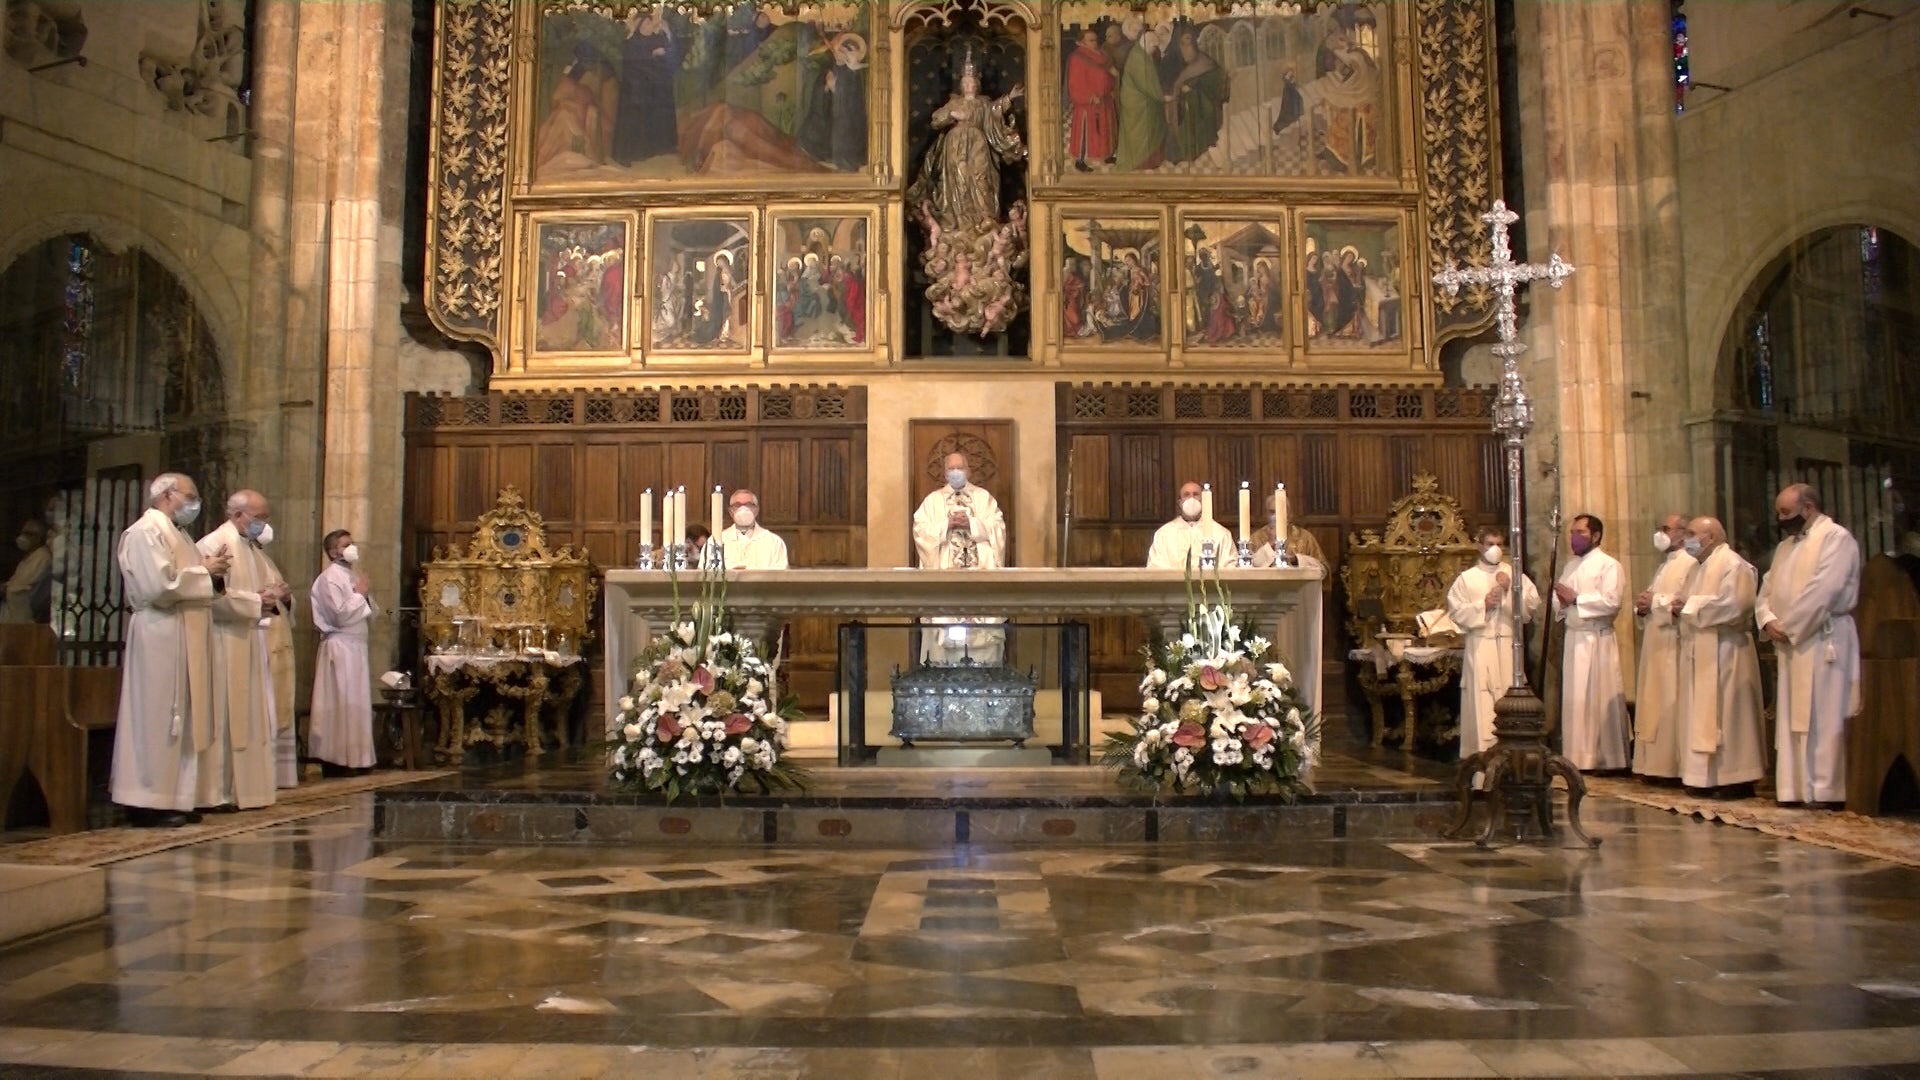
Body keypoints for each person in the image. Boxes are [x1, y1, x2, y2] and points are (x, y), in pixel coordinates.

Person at [110, 473, 231, 828]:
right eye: (190, 495)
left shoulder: (178, 534)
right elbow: (158, 587)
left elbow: (194, 580)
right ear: (166, 494)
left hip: (183, 630)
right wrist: (203, 570)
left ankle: (176, 796)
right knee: (158, 716)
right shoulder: (146, 532)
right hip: (160, 632)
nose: (195, 503)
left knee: (183, 717)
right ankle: (145, 800)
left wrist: (215, 574)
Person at [1755, 483, 1862, 807]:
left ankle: (1826, 790)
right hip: (1791, 642)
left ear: (1809, 507)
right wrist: (1767, 619)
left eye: (1786, 512)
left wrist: (1790, 627)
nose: (1780, 518)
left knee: (1823, 714)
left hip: (1824, 640)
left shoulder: (1836, 539)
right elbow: (1767, 587)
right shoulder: (1786, 547)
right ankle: (1794, 788)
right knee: (1793, 717)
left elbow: (1824, 589)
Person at [194, 491, 289, 811]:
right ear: (238, 515)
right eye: (259, 517)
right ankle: (217, 791)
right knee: (224, 714)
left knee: (249, 714)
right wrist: (255, 601)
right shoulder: (212, 545)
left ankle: (246, 789)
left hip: (249, 638)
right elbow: (210, 596)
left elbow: (260, 592)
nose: (264, 523)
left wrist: (270, 597)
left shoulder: (250, 549)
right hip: (223, 641)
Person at [1672, 517, 1767, 796]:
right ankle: (1704, 778)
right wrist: (1680, 605)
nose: (1685, 539)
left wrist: (1688, 605)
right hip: (1701, 647)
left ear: (1710, 537)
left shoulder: (1733, 564)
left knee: (1729, 714)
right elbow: (1686, 602)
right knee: (1700, 715)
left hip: (1727, 650)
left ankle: (1735, 778)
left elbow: (1736, 605)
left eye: (1690, 534)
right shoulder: (1696, 568)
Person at [1445, 525, 1541, 769]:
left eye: (1499, 544)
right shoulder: (1467, 578)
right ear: (1479, 545)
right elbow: (1455, 611)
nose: (1495, 549)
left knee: (1509, 699)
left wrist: (1510, 590)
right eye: (1490, 544)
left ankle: (1512, 765)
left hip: (1508, 646)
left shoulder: (1514, 574)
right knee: (1482, 704)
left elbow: (1530, 608)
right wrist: (1483, 606)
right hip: (1481, 646)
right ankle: (1481, 768)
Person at [905, 52, 1026, 237]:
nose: (970, 85)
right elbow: (936, 120)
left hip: (978, 143)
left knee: (981, 178)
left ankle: (985, 217)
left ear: (977, 84)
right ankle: (958, 222)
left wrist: (1010, 96)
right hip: (955, 145)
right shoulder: (954, 103)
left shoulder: (983, 104)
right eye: (966, 82)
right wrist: (952, 115)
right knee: (958, 179)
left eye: (972, 82)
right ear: (962, 85)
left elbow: (995, 111)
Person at [911, 452, 1008, 665]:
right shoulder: (932, 502)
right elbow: (920, 531)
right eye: (951, 468)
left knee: (983, 643)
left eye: (960, 467)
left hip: (980, 581)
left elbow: (998, 528)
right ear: (944, 472)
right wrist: (947, 525)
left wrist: (972, 524)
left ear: (969, 470)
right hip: (946, 583)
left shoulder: (984, 498)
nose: (956, 472)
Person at [1552, 514, 1628, 772]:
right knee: (1576, 699)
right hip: (1575, 638)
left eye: (1580, 532)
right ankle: (1578, 757)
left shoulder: (1609, 565)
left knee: (1597, 696)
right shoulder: (1570, 566)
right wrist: (1561, 603)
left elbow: (1611, 602)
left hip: (1597, 638)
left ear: (1595, 536)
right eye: (1572, 532)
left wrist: (1576, 599)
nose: (1574, 537)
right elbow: (1558, 601)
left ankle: (1606, 758)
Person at [1631, 513, 1697, 782]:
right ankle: (1654, 766)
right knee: (1653, 699)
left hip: (1673, 643)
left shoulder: (1690, 563)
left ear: (1682, 532)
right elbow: (1651, 598)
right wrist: (1642, 606)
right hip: (1655, 643)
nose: (1661, 533)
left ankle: (1670, 765)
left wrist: (1655, 602)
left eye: (1666, 528)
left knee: (1669, 697)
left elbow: (1686, 600)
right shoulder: (1664, 565)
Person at [310, 529, 377, 776]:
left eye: (352, 542)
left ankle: (357, 758)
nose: (352, 547)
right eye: (346, 544)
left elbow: (369, 610)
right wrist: (360, 595)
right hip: (340, 647)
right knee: (340, 702)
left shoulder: (351, 575)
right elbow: (338, 614)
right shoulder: (329, 578)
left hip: (356, 647)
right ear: (332, 551)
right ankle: (337, 759)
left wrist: (364, 597)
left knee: (355, 703)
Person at [254, 522, 301, 789]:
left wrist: (286, 598)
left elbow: (281, 601)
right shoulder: (230, 550)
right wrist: (274, 594)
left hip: (276, 637)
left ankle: (279, 775)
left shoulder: (265, 559)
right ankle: (262, 774)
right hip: (259, 637)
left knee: (278, 703)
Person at [1145, 481, 1234, 570]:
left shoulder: (1220, 533)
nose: (1191, 499)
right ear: (1180, 502)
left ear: (1203, 500)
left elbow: (1230, 566)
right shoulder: (1164, 534)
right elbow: (1155, 567)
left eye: (1196, 494)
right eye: (1186, 495)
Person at [1064, 27, 1117, 170]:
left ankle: (1107, 155)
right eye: (1091, 40)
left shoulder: (1102, 55)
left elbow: (1106, 75)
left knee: (1106, 130)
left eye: (1095, 40)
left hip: (1104, 100)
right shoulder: (1077, 58)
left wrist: (1111, 82)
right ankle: (1080, 161)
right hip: (1088, 104)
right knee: (1086, 132)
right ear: (1082, 42)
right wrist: (1089, 97)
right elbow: (1075, 83)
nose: (1094, 43)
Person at [718, 489, 789, 570]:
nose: (743, 509)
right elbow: (706, 572)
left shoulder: (774, 542)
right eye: (737, 505)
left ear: (756, 510)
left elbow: (781, 574)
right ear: (730, 511)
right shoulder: (717, 541)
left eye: (748, 505)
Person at [3, 517, 50, 623]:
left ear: (38, 538)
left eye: (28, 534)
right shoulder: (28, 558)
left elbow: (27, 587)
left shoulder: (42, 556)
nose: (22, 537)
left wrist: (6, 589)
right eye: (22, 533)